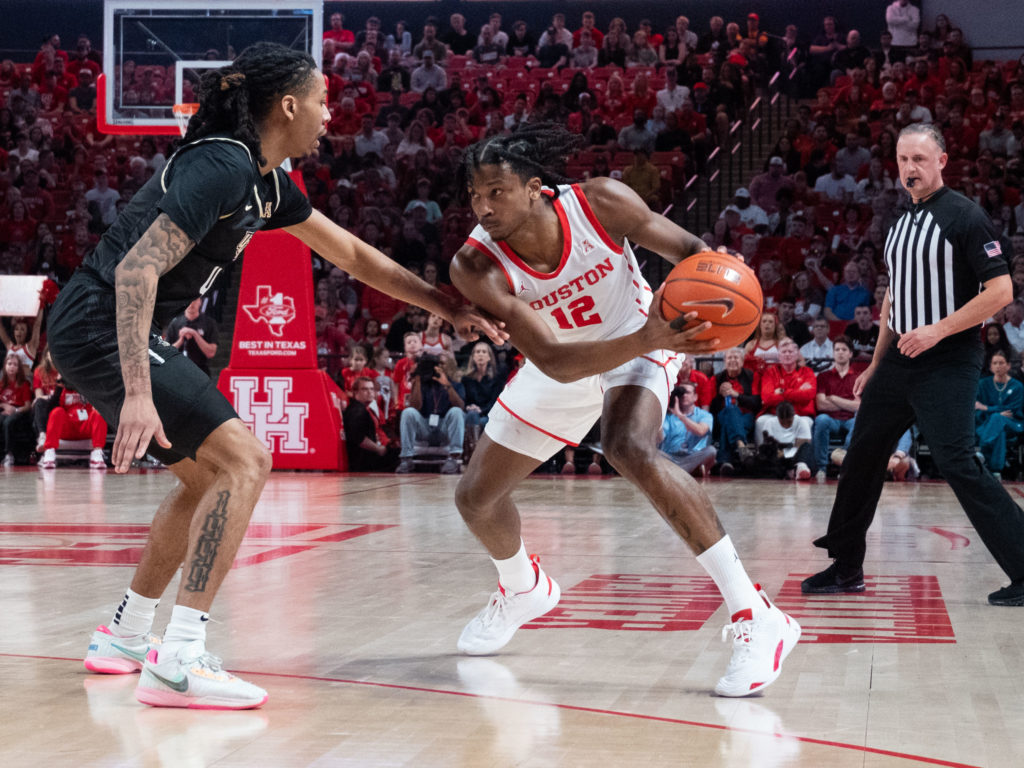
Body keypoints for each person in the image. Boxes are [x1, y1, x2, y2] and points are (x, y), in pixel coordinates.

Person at [47, 43, 503, 710]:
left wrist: (447, 307)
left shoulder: (264, 183)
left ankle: (125, 634)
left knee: (207, 478)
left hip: (105, 325)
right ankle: (178, 659)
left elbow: (351, 253)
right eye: (322, 100)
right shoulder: (222, 166)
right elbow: (138, 271)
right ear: (288, 105)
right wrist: (139, 393)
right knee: (245, 462)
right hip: (99, 321)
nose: (329, 113)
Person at [449, 125, 800, 696]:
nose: (483, 207)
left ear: (535, 188)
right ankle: (522, 588)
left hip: (639, 335)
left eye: (496, 192)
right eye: (474, 195)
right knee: (474, 498)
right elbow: (558, 363)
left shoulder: (600, 202)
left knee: (627, 446)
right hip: (570, 357)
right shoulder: (476, 266)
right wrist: (648, 336)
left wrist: (721, 294)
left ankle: (756, 615)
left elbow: (691, 252)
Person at [803, 124, 1024, 607]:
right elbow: (895, 300)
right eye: (903, 159)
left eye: (920, 159)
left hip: (947, 359)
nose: (910, 168)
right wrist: (874, 362)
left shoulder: (965, 217)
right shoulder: (901, 222)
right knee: (862, 454)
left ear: (942, 160)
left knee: (957, 461)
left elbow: (1002, 292)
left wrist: (938, 330)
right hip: (899, 359)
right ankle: (845, 566)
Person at [396, 352, 465, 475]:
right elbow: (415, 406)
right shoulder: (421, 384)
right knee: (408, 412)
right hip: (424, 428)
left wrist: (447, 385)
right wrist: (417, 379)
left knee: (456, 412)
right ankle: (406, 459)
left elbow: (460, 406)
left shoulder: (455, 385)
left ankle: (454, 458)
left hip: (444, 429)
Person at [812, 336, 860, 479]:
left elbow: (859, 406)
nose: (840, 352)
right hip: (831, 420)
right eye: (837, 349)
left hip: (851, 419)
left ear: (850, 353)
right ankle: (821, 468)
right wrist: (848, 403)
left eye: (844, 349)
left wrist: (833, 398)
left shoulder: (858, 377)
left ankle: (844, 464)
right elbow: (820, 404)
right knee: (821, 419)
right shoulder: (823, 376)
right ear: (832, 353)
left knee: (859, 420)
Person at [36, 382, 109, 469]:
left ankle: (97, 452)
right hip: (67, 428)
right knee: (57, 411)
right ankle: (49, 451)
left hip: (85, 427)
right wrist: (58, 389)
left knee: (99, 413)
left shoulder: (92, 387)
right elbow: (50, 411)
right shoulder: (63, 387)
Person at [975, 351, 1023, 478]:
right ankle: (996, 471)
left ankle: (983, 451)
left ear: (1008, 366)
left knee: (997, 418)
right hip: (986, 424)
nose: (998, 366)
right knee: (999, 431)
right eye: (995, 363)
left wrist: (988, 408)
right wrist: (995, 411)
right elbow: (976, 406)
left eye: (1001, 363)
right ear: (990, 367)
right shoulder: (983, 384)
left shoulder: (1018, 387)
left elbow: (1013, 410)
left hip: (1013, 423)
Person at [659, 383, 716, 476]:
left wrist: (680, 416)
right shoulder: (669, 416)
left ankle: (677, 471)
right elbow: (659, 439)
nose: (684, 395)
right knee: (653, 452)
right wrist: (660, 413)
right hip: (670, 457)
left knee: (711, 451)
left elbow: (701, 431)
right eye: (681, 393)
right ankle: (690, 471)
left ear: (695, 397)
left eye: (688, 393)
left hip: (692, 456)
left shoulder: (704, 415)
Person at [344, 376, 399, 471]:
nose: (369, 392)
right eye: (365, 389)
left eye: (371, 389)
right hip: (364, 463)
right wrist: (379, 449)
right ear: (356, 392)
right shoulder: (358, 411)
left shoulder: (364, 409)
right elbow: (359, 438)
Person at [461, 341, 503, 453]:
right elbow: (464, 400)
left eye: (484, 352)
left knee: (483, 421)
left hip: (489, 413)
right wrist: (469, 407)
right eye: (477, 352)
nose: (480, 354)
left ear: (489, 357)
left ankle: (476, 452)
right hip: (472, 413)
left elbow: (495, 402)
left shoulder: (496, 379)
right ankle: (473, 450)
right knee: (471, 415)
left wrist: (481, 410)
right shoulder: (467, 379)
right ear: (473, 357)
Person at [164, 298, 218, 378]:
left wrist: (195, 334)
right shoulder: (175, 324)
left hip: (201, 371)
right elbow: (165, 352)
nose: (191, 304)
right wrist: (181, 339)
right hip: (178, 371)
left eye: (195, 300)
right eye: (188, 300)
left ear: (200, 302)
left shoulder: (209, 323)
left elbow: (211, 353)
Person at [1, 351, 33, 467]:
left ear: (19, 368)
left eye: (15, 364)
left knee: (8, 422)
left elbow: (27, 405)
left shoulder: (24, 384)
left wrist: (14, 410)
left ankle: (9, 454)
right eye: (9, 364)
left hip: (19, 411)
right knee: (2, 419)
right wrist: (4, 406)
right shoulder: (2, 383)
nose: (12, 367)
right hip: (4, 410)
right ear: (5, 366)